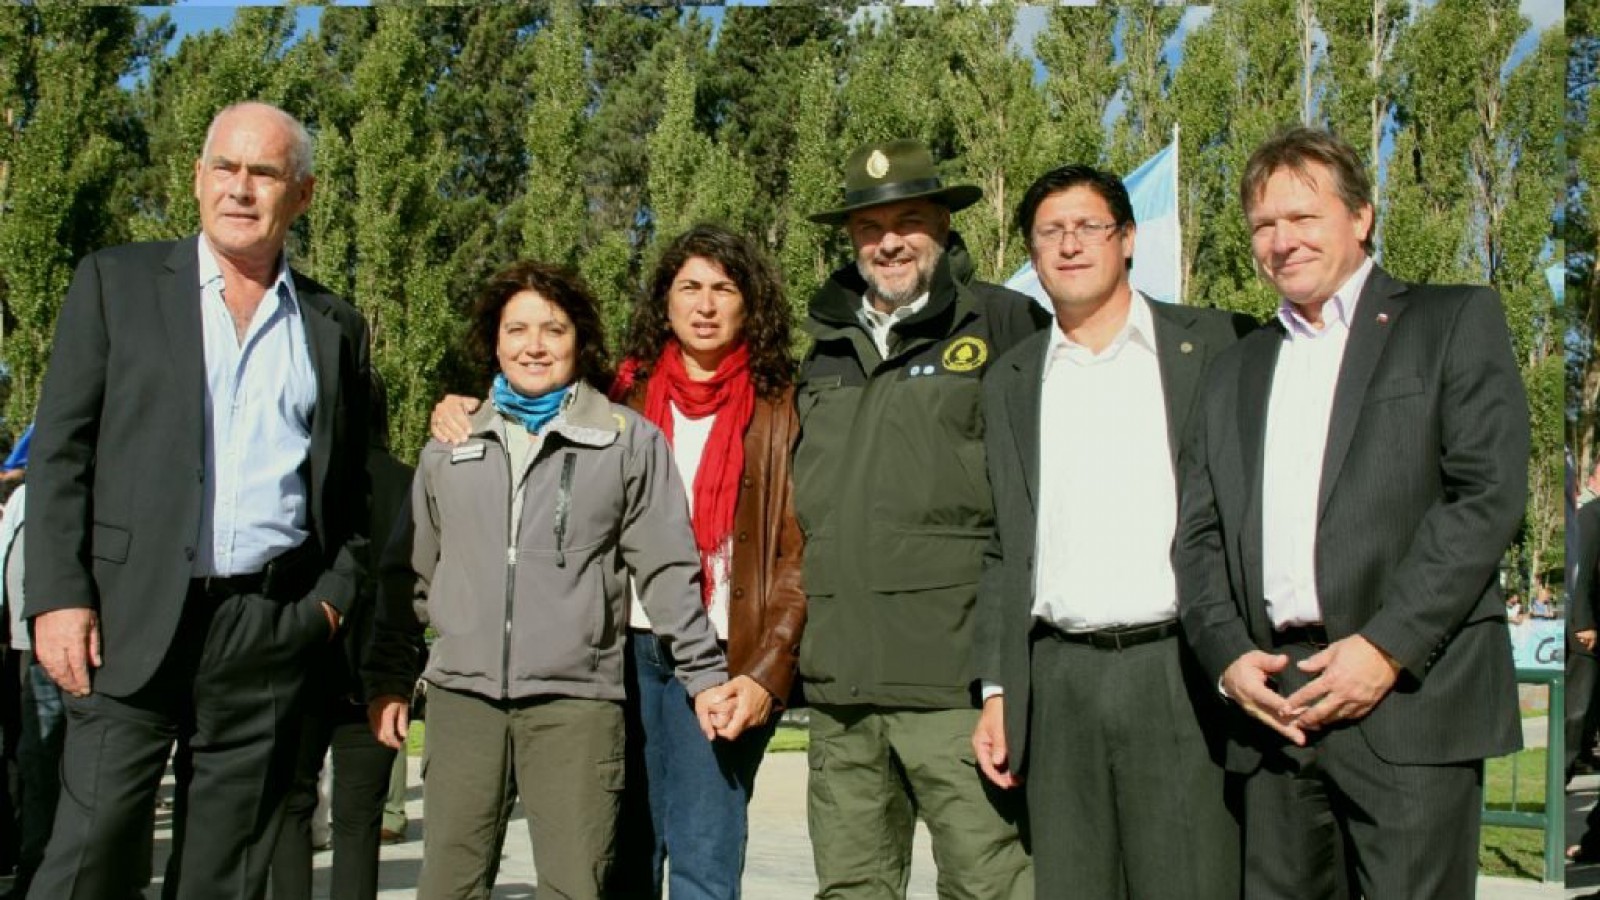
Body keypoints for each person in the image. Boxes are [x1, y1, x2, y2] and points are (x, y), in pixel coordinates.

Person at [23, 101, 371, 900]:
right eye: (226, 168)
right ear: (197, 179)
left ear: (303, 194)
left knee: (225, 873)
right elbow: (61, 452)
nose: (241, 189)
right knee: (88, 856)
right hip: (125, 617)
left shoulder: (333, 326)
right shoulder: (118, 282)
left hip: (266, 627)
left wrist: (323, 609)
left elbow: (351, 492)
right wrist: (60, 597)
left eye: (264, 172)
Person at [1173, 126, 1529, 899]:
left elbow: (1485, 496)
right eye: (1264, 224)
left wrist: (1388, 646)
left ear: (1361, 217)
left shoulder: (1451, 322)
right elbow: (1197, 536)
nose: (1282, 240)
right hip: (1275, 711)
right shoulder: (1236, 366)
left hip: (1407, 698)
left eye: (1304, 217)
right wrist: (1229, 659)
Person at [364, 261, 729, 900]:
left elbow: (669, 570)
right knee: (448, 885)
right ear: (495, 341)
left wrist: (702, 676)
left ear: (579, 340)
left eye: (553, 330)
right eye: (518, 330)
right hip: (462, 700)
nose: (534, 345)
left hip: (575, 705)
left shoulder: (627, 442)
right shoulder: (450, 444)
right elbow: (410, 572)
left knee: (572, 887)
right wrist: (391, 677)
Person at [970, 164, 1253, 899]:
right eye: (1049, 232)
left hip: (1181, 671)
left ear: (1127, 240)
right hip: (1058, 680)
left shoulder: (1214, 347)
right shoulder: (1012, 378)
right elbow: (1006, 544)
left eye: (1088, 227)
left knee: (1192, 881)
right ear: (1031, 254)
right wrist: (999, 687)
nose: (1069, 246)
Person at [792, 138, 1046, 899]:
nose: (889, 241)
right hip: (841, 688)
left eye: (908, 220)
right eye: (870, 228)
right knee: (852, 890)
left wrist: (1009, 674)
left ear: (942, 223)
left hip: (955, 686)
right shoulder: (819, 350)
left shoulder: (1006, 322)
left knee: (991, 886)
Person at [269, 376, 409, 900]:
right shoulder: (410, 484)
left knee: (292, 808)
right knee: (359, 823)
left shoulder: (304, 480)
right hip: (379, 674)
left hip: (305, 663)